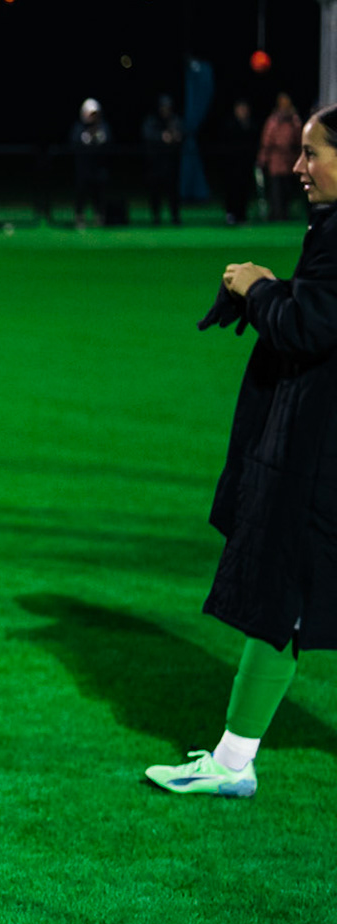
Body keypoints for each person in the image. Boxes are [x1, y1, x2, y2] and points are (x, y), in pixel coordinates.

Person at [147, 102, 337, 797]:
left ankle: (231, 763)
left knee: (286, 595)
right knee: (287, 599)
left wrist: (259, 290)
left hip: (321, 457)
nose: (297, 166)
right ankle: (231, 760)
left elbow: (309, 328)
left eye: (313, 153)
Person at [142, 94, 184, 227]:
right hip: (155, 163)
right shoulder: (152, 120)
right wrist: (161, 137)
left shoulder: (175, 120)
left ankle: (175, 217)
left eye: (168, 107)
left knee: (173, 192)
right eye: (163, 107)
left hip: (172, 163)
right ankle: (156, 217)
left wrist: (176, 137)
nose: (165, 110)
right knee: (155, 192)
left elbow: (183, 134)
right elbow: (147, 135)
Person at [260, 92, 302, 223]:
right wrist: (263, 158)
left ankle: (285, 214)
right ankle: (276, 215)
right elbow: (266, 140)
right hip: (276, 161)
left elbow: (299, 138)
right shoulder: (273, 120)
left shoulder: (294, 120)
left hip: (290, 160)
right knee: (276, 190)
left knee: (287, 190)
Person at [71, 98, 111, 228]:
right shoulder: (79, 128)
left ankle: (99, 217)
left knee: (99, 194)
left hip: (99, 168)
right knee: (81, 193)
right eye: (90, 114)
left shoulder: (103, 127)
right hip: (83, 168)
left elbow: (108, 141)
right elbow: (74, 143)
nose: (93, 117)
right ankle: (79, 217)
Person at [219, 97, 260, 225]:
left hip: (246, 165)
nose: (243, 111)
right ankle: (231, 214)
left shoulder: (251, 125)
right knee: (232, 190)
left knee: (244, 191)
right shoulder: (229, 125)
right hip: (232, 166)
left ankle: (242, 215)